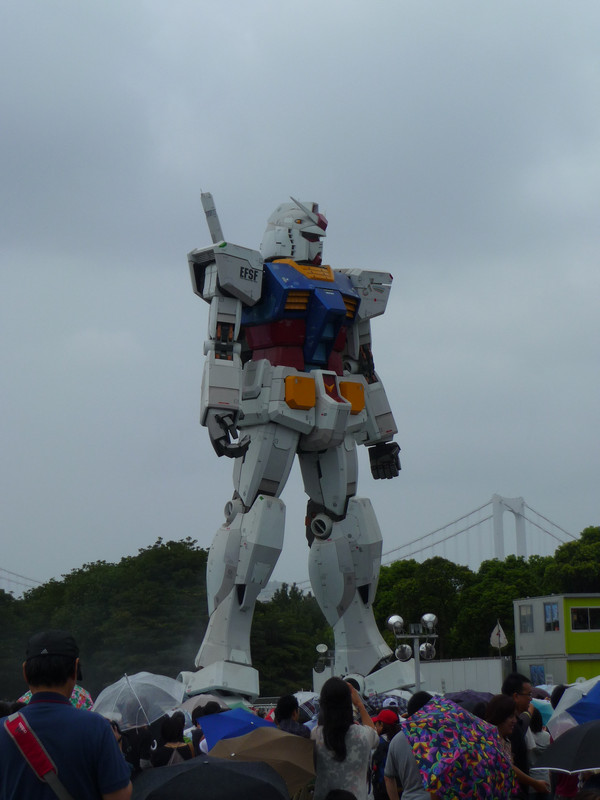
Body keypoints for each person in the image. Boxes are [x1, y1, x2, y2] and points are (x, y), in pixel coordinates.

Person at [0, 629, 132, 800]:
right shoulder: (96, 727)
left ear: (25, 672)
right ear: (75, 669)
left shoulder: (3, 729)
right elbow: (120, 796)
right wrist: (117, 751)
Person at [311, 677, 379, 800]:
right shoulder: (363, 735)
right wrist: (360, 705)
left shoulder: (315, 735)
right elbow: (374, 734)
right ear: (348, 704)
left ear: (323, 704)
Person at [485, 694, 549, 797]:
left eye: (515, 716)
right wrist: (535, 783)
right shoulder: (490, 741)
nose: (515, 721)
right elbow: (509, 767)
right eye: (511, 716)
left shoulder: (505, 740)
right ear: (499, 716)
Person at [370, 709, 400, 800]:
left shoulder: (378, 743)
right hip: (402, 785)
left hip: (383, 788)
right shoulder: (401, 739)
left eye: (376, 724)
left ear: (381, 724)